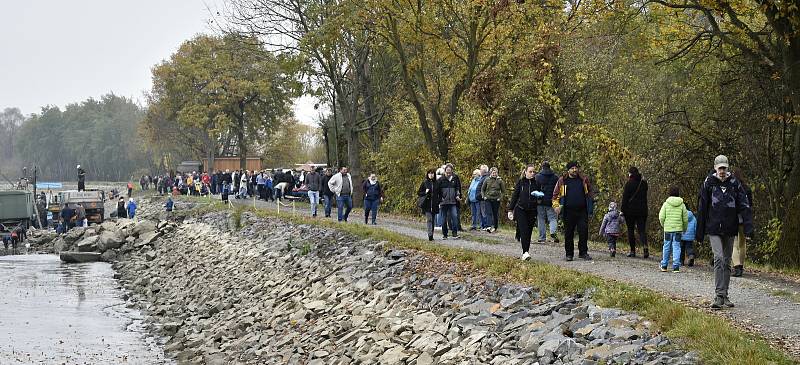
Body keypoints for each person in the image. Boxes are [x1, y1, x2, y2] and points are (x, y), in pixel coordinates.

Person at [696, 155, 753, 309]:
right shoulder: (709, 183)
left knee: (727, 261)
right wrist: (699, 231)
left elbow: (744, 205)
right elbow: (702, 207)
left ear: (728, 168)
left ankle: (725, 295)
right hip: (713, 227)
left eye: (724, 168)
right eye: (719, 168)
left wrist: (748, 228)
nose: (722, 171)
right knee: (719, 258)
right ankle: (718, 295)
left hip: (730, 227)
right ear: (715, 168)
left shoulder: (735, 183)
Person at [552, 161, 595, 261]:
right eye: (572, 168)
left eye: (576, 168)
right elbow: (555, 195)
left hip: (582, 211)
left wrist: (591, 203)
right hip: (568, 211)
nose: (574, 170)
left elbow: (590, 192)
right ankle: (569, 254)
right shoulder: (563, 181)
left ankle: (583, 252)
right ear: (568, 170)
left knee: (583, 232)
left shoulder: (583, 180)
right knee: (569, 233)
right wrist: (556, 206)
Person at [507, 164, 542, 260]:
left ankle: (526, 251)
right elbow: (515, 196)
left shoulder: (537, 183)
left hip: (532, 210)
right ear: (525, 172)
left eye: (534, 172)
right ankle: (525, 252)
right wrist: (510, 209)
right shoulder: (521, 182)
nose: (532, 173)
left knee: (529, 231)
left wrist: (539, 198)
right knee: (524, 230)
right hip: (521, 209)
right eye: (530, 171)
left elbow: (541, 197)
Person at [621, 166, 649, 258]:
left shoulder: (629, 184)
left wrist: (622, 210)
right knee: (642, 230)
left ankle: (632, 251)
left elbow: (625, 199)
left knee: (630, 230)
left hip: (630, 211)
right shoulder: (644, 183)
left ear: (630, 174)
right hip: (642, 211)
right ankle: (645, 247)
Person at [659, 186, 688, 273]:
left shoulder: (666, 204)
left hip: (668, 229)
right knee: (676, 247)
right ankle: (676, 266)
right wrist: (684, 228)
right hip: (678, 230)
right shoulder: (682, 205)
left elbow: (661, 217)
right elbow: (685, 219)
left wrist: (664, 225)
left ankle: (664, 265)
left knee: (666, 246)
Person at [731, 168, 753, 277]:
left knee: (733, 244)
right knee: (742, 244)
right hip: (744, 219)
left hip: (733, 218)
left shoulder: (731, 187)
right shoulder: (747, 188)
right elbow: (750, 205)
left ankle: (737, 267)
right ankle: (741, 266)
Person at [435, 164, 462, 239]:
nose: (448, 173)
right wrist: (440, 199)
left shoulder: (455, 178)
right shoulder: (440, 180)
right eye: (447, 172)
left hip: (453, 202)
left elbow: (458, 188)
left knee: (455, 217)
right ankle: (445, 234)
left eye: (450, 172)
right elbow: (437, 191)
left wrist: (458, 195)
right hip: (443, 202)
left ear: (452, 171)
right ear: (445, 171)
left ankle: (455, 233)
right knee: (444, 219)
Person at [535, 161, 559, 243]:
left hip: (540, 201)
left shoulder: (537, 177)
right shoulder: (555, 177)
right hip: (551, 201)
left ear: (542, 167)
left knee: (541, 219)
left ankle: (542, 238)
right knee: (552, 218)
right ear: (550, 167)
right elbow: (558, 190)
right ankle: (553, 234)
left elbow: (536, 189)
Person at [481, 167, 506, 233]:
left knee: (495, 213)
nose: (494, 174)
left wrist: (500, 198)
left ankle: (495, 226)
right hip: (488, 199)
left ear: (497, 173)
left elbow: (503, 191)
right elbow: (482, 189)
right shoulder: (487, 179)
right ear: (490, 173)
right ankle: (489, 226)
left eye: (495, 173)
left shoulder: (500, 180)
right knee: (488, 213)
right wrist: (484, 196)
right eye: (493, 173)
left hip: (496, 200)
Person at [418, 169, 440, 241]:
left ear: (434, 174)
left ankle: (432, 234)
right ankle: (430, 235)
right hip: (427, 204)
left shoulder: (437, 183)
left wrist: (438, 201)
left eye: (432, 173)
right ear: (427, 174)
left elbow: (440, 193)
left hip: (434, 204)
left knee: (433, 220)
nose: (431, 175)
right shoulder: (425, 182)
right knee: (429, 219)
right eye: (429, 173)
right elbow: (419, 193)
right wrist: (425, 192)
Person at [680, 202, 697, 267]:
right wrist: (695, 235)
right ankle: (691, 256)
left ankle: (681, 261)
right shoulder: (693, 216)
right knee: (689, 247)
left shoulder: (681, 215)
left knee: (681, 248)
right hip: (690, 236)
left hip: (681, 235)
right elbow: (695, 226)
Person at [476, 165, 491, 230]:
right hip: (480, 198)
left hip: (483, 198)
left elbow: (485, 189)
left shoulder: (486, 178)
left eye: (481, 170)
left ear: (483, 171)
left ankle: (485, 225)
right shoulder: (483, 177)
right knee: (482, 212)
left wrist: (482, 196)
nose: (480, 171)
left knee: (484, 212)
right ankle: (483, 225)